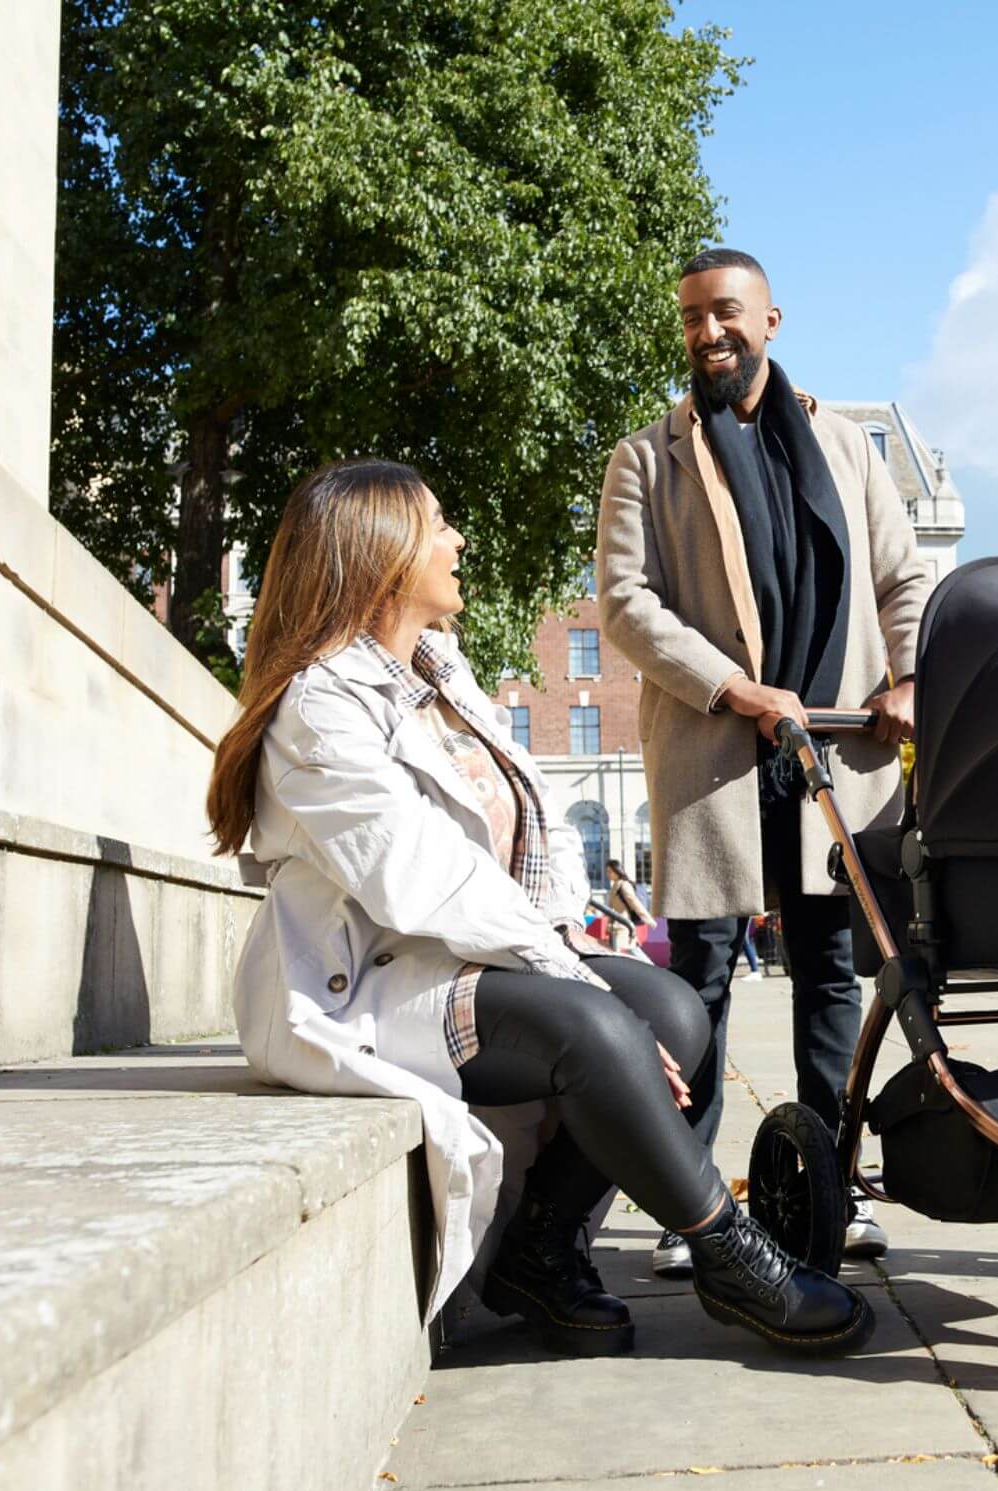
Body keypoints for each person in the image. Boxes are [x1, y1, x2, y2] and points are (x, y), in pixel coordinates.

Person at [207, 457, 871, 1358]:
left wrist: (574, 948)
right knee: (600, 1028)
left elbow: (537, 829)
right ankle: (732, 1254)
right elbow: (422, 881)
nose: (458, 540)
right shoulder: (323, 708)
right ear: (381, 553)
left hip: (467, 959)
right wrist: (575, 980)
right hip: (363, 987)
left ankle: (541, 1251)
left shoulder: (440, 678)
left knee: (671, 1011)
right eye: (437, 525)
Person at [598, 248, 930, 1278]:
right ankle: (689, 1206)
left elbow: (901, 577)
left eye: (727, 313)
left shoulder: (847, 445)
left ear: (771, 320)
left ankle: (828, 1190)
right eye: (692, 317)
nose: (708, 333)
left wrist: (911, 680)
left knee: (833, 974)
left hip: (838, 746)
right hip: (715, 751)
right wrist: (734, 689)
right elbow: (624, 603)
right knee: (698, 979)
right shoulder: (645, 458)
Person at [605, 859, 655, 952]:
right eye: (607, 871)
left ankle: (650, 966)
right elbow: (611, 910)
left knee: (625, 953)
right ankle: (649, 965)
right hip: (615, 927)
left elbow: (634, 902)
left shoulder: (624, 885)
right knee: (629, 952)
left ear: (617, 871)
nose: (607, 874)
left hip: (623, 926)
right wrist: (608, 925)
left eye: (610, 871)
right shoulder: (615, 886)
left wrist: (648, 919)